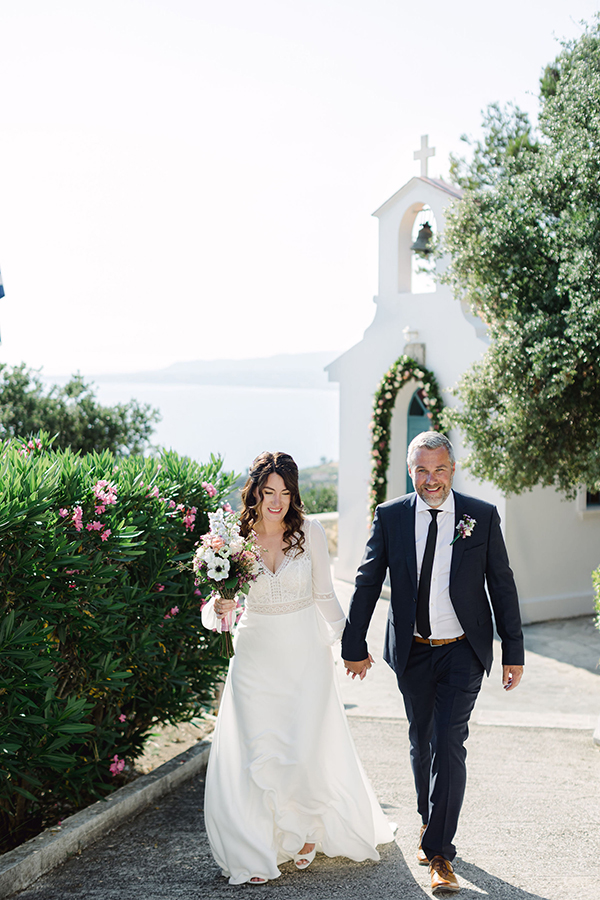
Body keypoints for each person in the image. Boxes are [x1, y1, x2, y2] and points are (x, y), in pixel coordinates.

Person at [342, 432, 524, 896]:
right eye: (422, 470)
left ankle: (441, 853)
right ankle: (429, 822)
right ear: (411, 471)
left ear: (453, 468)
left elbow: (501, 584)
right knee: (421, 741)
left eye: (439, 469)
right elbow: (366, 582)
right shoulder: (391, 518)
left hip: (464, 648)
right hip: (413, 649)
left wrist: (513, 651)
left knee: (449, 741)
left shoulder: (479, 517)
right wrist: (353, 642)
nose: (431, 479)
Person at [202, 451, 393, 885]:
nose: (277, 501)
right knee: (258, 749)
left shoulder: (310, 531)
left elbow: (324, 596)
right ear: (255, 492)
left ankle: (305, 831)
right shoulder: (232, 537)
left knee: (302, 744)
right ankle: (256, 846)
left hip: (305, 655)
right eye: (269, 492)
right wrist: (221, 606)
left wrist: (352, 644)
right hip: (253, 656)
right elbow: (216, 612)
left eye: (286, 493)